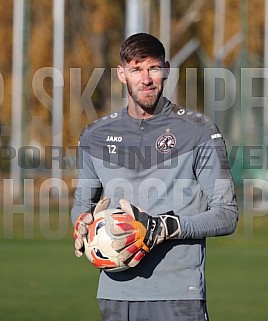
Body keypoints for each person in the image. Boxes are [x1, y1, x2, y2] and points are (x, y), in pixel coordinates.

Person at [71, 32, 238, 321]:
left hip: (178, 295)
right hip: (115, 295)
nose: (146, 79)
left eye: (153, 68)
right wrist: (80, 223)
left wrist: (166, 227)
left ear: (166, 70)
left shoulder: (199, 131)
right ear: (121, 74)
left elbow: (226, 215)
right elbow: (81, 203)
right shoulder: (94, 136)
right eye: (136, 69)